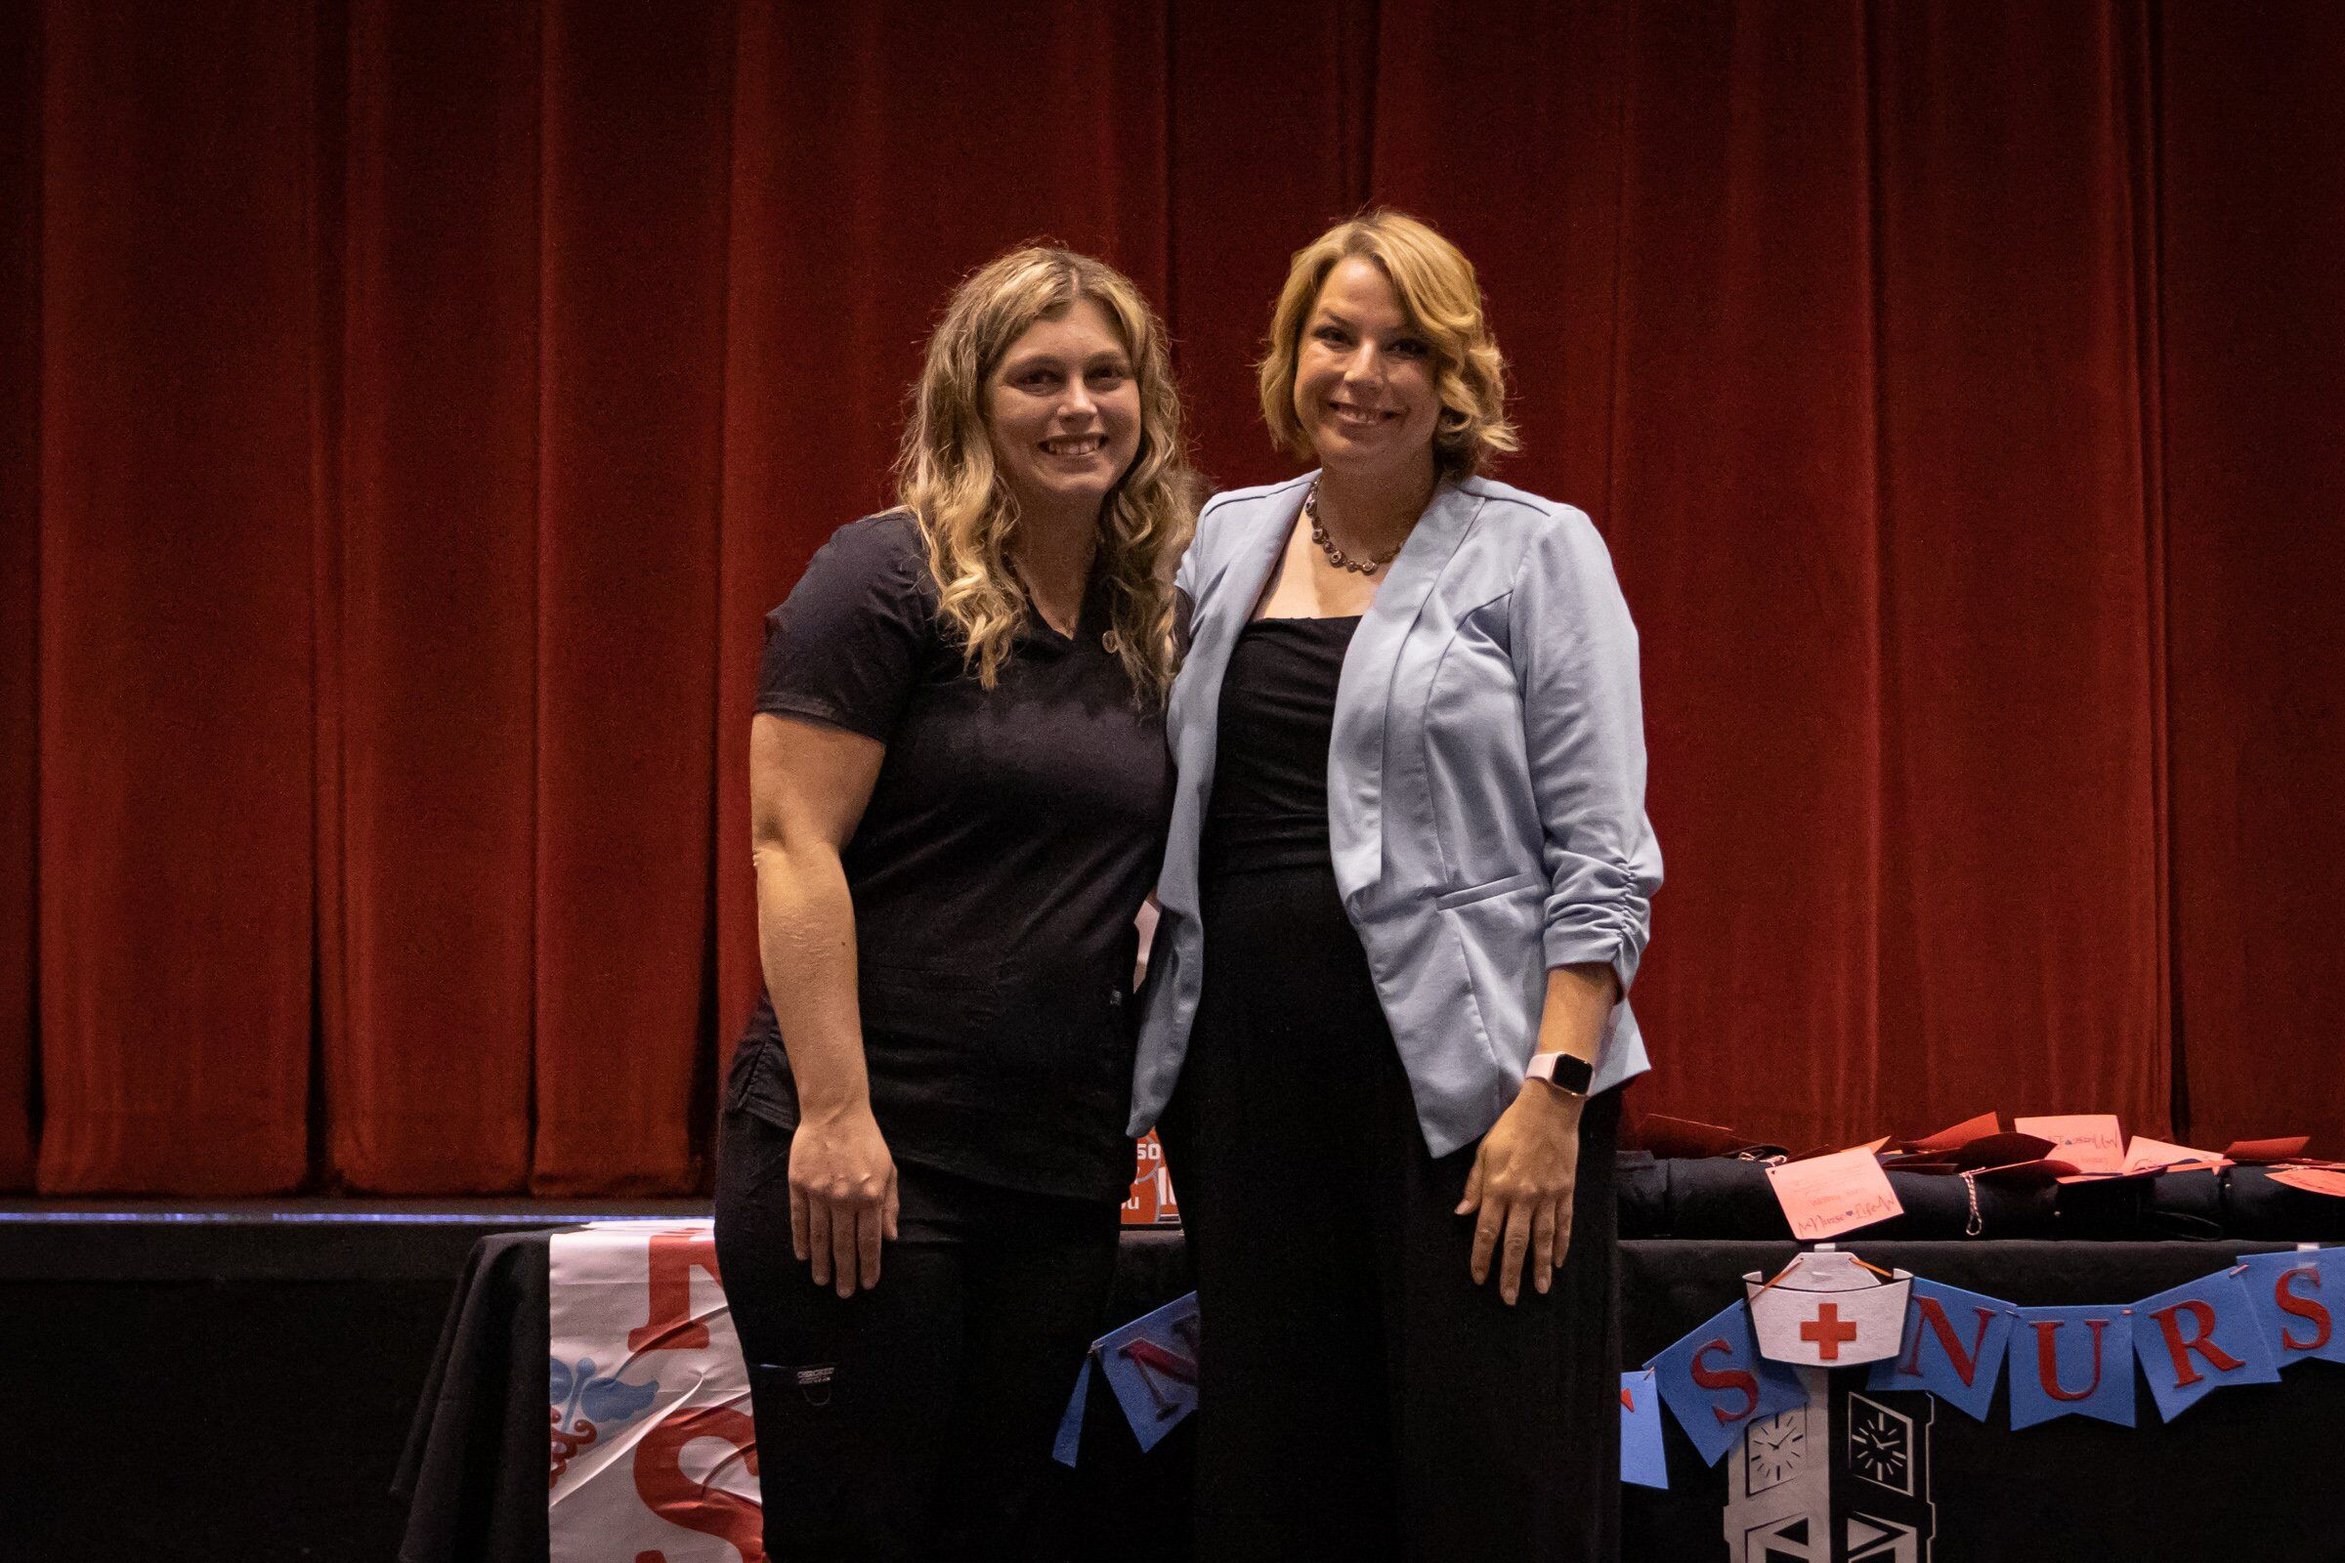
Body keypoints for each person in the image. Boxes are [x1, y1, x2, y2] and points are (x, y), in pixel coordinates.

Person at [1130, 211, 1663, 1562]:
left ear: (1455, 374)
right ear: (1288, 353)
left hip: (1481, 1095)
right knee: (1278, 1466)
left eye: (1403, 345)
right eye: (1334, 335)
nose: (1363, 371)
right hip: (1248, 1086)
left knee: (1496, 1472)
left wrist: (1553, 1092)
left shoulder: (1541, 552)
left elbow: (1601, 854)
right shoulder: (1216, 543)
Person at [712, 246, 1197, 1561]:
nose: (1076, 406)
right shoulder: (877, 581)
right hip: (873, 1169)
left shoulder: (1152, 613)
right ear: (970, 404)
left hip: (1052, 1176)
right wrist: (834, 1115)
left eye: (1106, 375)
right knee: (863, 1536)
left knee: (991, 1534)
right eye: (1035, 377)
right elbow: (789, 842)